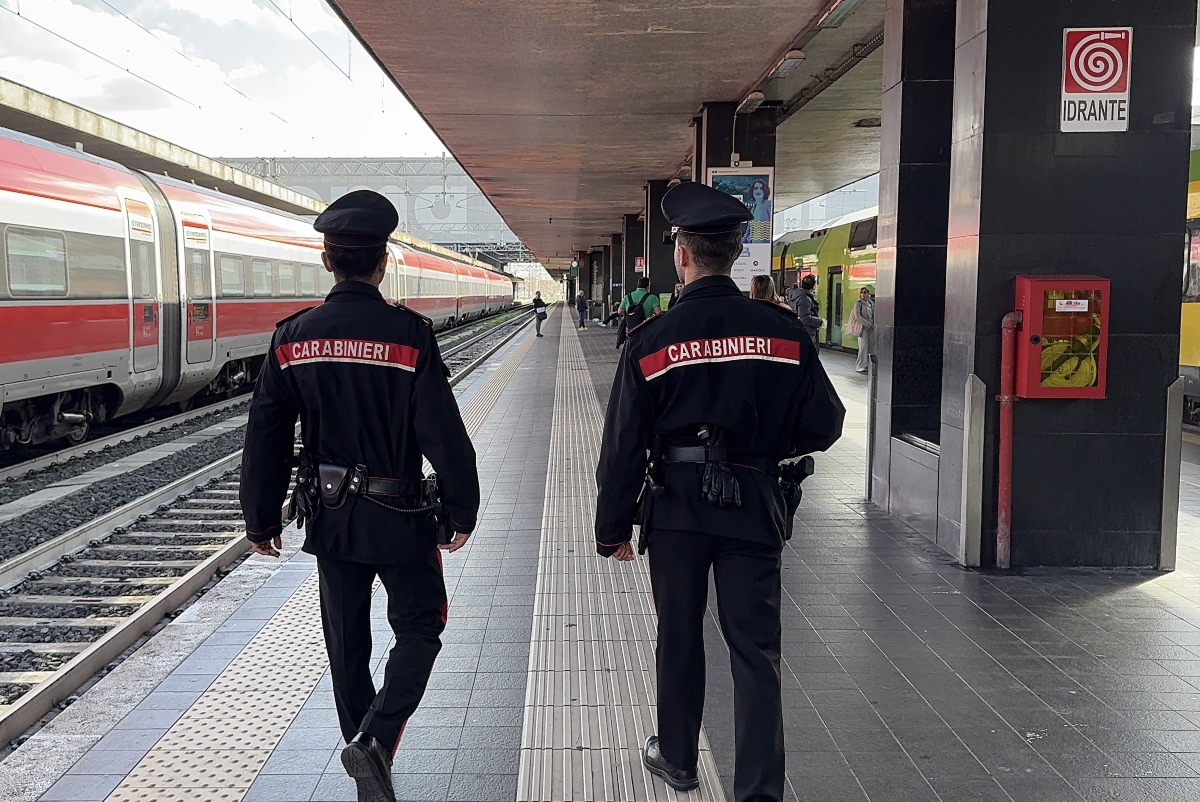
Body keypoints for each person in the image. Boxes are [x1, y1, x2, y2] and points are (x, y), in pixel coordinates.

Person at [594, 181, 844, 802]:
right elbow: (827, 423)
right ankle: (758, 791)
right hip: (755, 504)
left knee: (678, 635)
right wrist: (760, 448)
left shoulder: (652, 340)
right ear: (736, 252)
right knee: (755, 652)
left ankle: (677, 758)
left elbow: (624, 441)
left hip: (676, 506)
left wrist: (612, 526)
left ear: (682, 253)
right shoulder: (783, 333)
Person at [239, 190, 480, 802]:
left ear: (327, 259)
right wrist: (461, 507)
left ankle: (363, 747)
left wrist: (259, 518)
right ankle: (375, 740)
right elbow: (443, 435)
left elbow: (266, 433)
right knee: (422, 626)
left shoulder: (293, 338)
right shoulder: (409, 335)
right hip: (401, 516)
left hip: (333, 519)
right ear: (383, 261)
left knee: (346, 642)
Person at [616, 276, 661, 348]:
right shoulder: (653, 297)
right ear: (648, 286)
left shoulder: (628, 296)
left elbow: (620, 311)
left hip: (631, 328)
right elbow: (658, 313)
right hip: (645, 327)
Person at [793, 274, 823, 349]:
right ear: (813, 286)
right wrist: (819, 321)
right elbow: (804, 318)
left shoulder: (797, 296)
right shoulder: (804, 299)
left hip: (799, 332)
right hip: (806, 333)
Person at [851, 287, 875, 373]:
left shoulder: (871, 303)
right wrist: (868, 324)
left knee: (871, 347)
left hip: (871, 328)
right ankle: (860, 365)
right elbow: (858, 316)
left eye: (865, 292)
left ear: (869, 293)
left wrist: (873, 324)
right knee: (863, 347)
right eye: (862, 292)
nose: (863, 294)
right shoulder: (858, 303)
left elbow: (873, 314)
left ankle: (869, 365)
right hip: (862, 328)